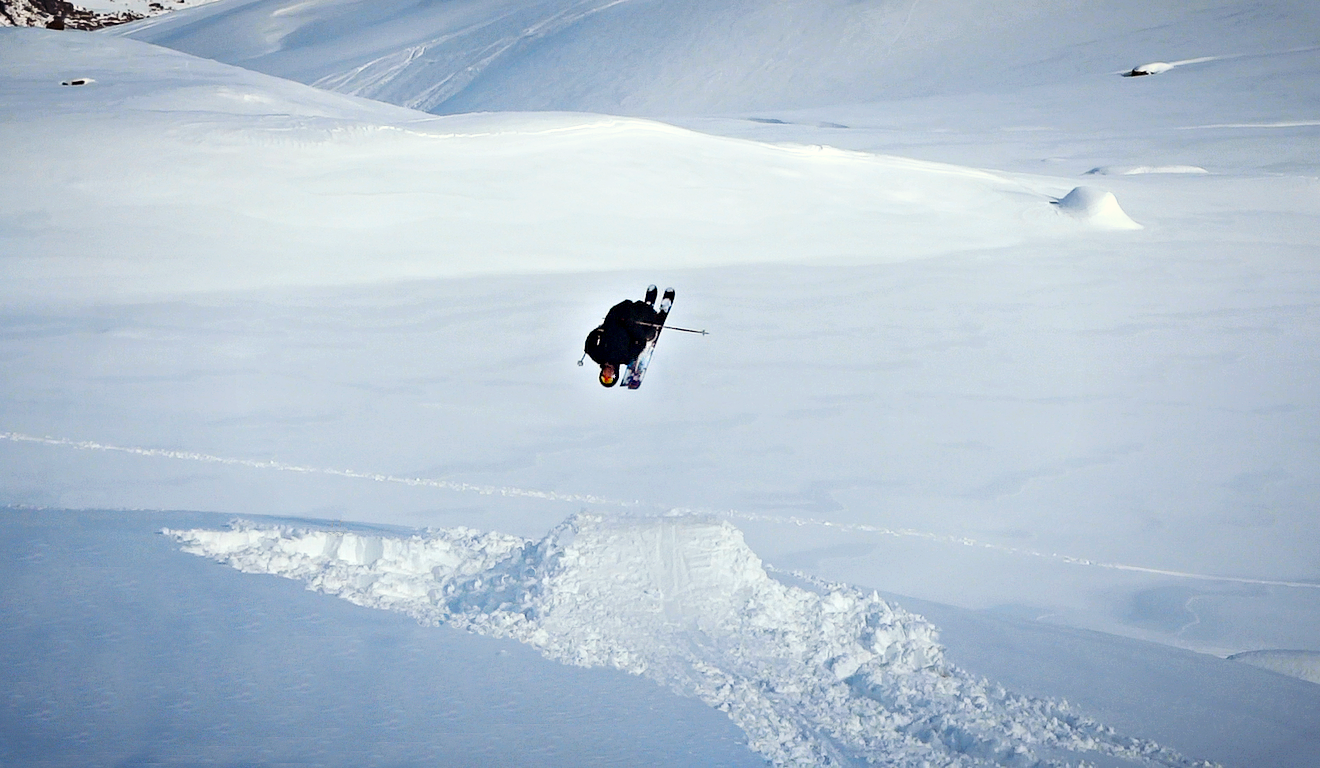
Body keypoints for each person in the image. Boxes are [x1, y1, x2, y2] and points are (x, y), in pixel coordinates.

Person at [584, 298, 661, 387]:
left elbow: (589, 345)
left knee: (626, 306)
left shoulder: (598, 356)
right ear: (615, 375)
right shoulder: (625, 359)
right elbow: (640, 342)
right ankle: (651, 318)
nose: (606, 376)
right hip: (629, 323)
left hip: (613, 318)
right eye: (609, 379)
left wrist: (598, 331)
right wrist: (631, 326)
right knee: (646, 325)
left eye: (603, 377)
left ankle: (646, 310)